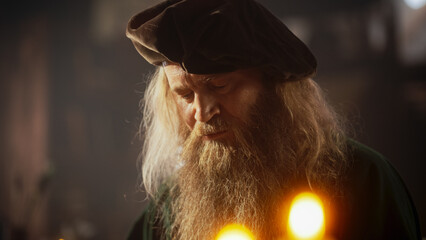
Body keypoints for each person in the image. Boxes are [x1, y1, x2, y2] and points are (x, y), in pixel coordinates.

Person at [125, 0, 421, 239]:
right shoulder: (170, 207)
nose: (202, 113)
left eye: (219, 86)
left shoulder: (362, 180)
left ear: (274, 87)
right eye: (186, 95)